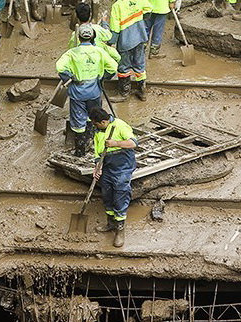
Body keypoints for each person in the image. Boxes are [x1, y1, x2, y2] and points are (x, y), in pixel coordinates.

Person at [56, 24, 119, 156]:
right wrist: (103, 78)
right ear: (93, 37)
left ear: (79, 37)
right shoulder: (100, 52)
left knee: (78, 120)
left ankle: (80, 150)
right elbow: (113, 67)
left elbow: (60, 67)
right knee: (94, 116)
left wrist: (70, 77)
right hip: (94, 92)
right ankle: (92, 140)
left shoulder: (71, 53)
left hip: (77, 93)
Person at [90, 107, 138, 247]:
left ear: (104, 121)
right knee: (107, 193)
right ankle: (110, 223)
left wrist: (116, 143)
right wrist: (97, 166)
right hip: (107, 165)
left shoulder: (120, 125)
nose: (95, 126)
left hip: (122, 165)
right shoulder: (98, 131)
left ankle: (120, 230)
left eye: (96, 124)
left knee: (120, 193)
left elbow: (134, 143)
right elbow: (97, 152)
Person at [109, 0, 152, 102]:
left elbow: (115, 27)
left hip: (125, 41)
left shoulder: (117, 6)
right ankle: (142, 91)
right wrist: (141, 18)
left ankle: (124, 93)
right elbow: (149, 8)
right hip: (140, 37)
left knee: (123, 66)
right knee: (139, 64)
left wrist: (111, 42)